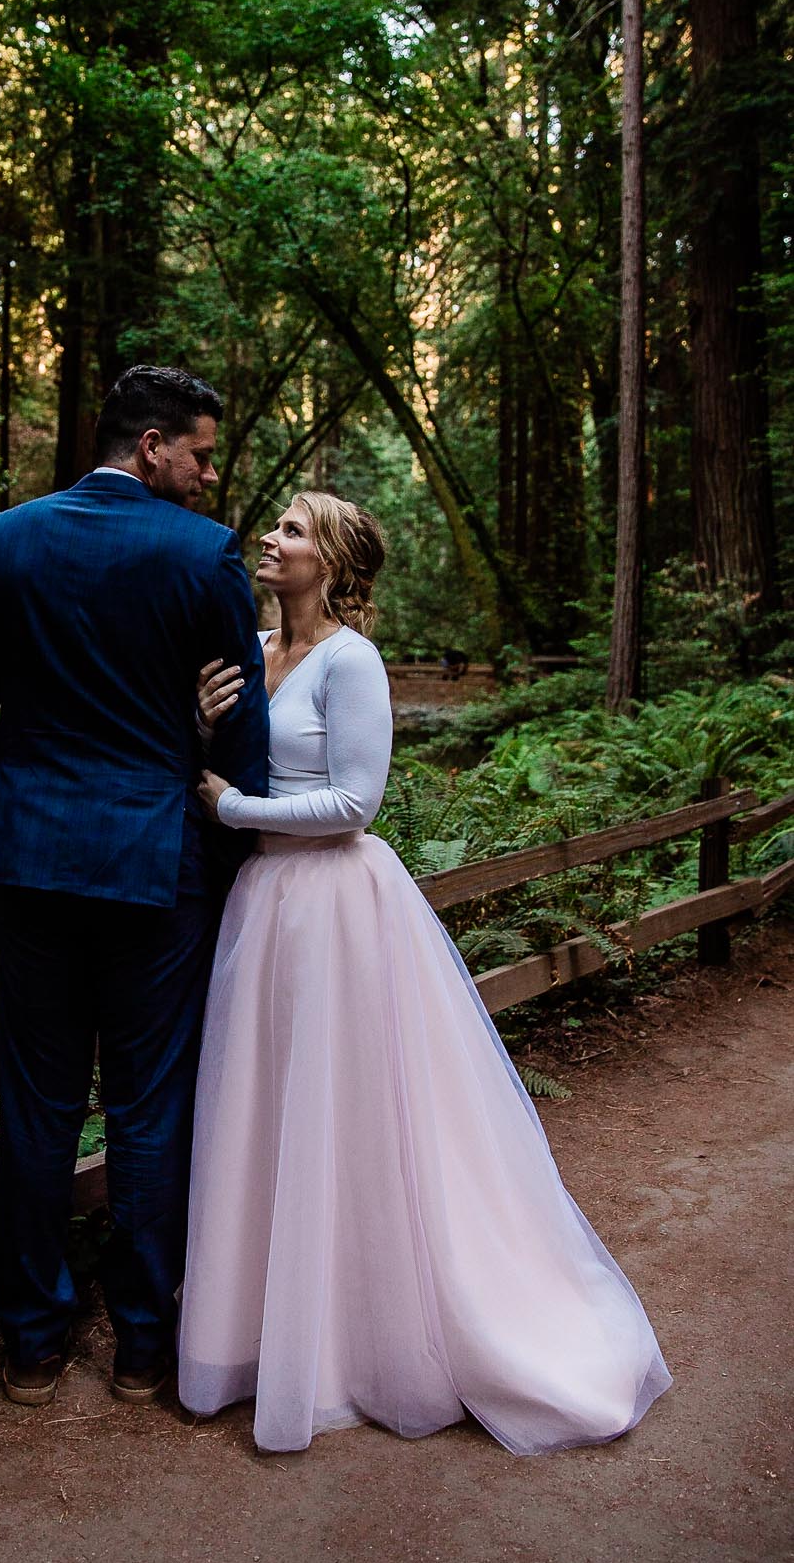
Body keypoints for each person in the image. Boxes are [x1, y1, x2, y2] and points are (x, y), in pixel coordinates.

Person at [178, 492, 672, 1455]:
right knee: (268, 1109)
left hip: (334, 906)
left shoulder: (352, 661)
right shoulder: (249, 646)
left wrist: (232, 807)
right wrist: (204, 733)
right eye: (274, 526)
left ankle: (376, 1342)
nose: (270, 540)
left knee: (353, 1111)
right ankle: (268, 1334)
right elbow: (226, 764)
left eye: (292, 530)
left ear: (334, 561)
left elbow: (356, 801)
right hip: (264, 905)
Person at [0, 366, 270, 1408]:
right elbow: (242, 721)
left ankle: (31, 1340)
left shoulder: (3, 539)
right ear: (151, 445)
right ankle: (139, 1343)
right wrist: (230, 849)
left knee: (35, 1107)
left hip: (30, 857)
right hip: (152, 866)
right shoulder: (201, 555)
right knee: (149, 1104)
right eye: (203, 452)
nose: (211, 475)